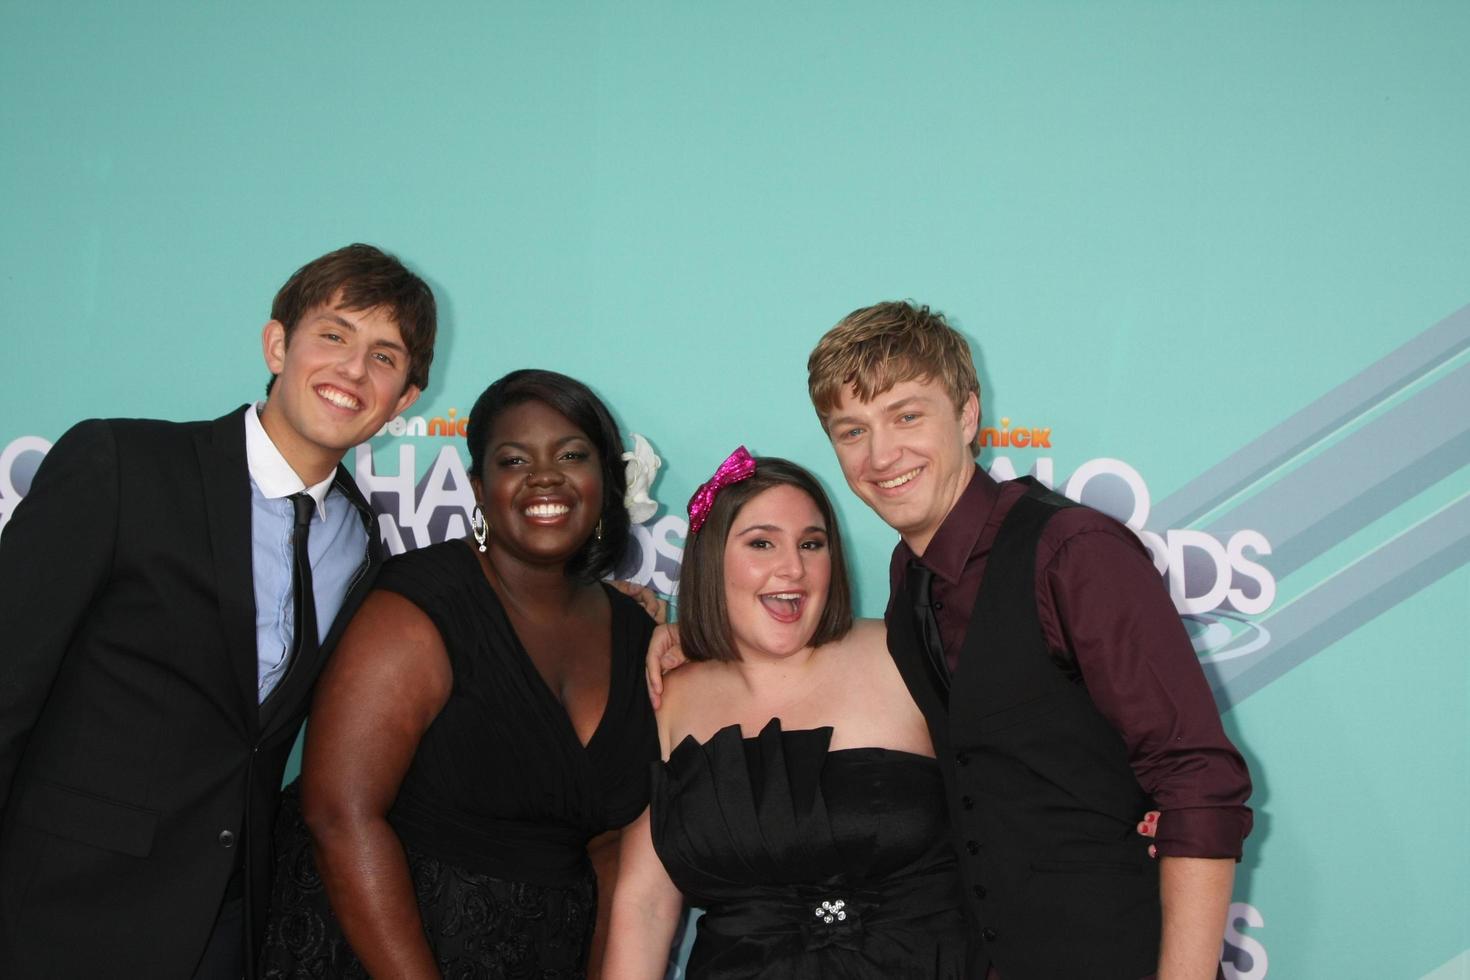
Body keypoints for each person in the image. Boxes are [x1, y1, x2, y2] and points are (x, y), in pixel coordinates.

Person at [0, 243, 437, 978]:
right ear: (277, 344)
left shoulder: (365, 545)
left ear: (406, 401)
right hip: (57, 908)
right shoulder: (123, 466)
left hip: (225, 927)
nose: (354, 371)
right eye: (334, 335)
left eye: (385, 356)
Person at [804, 301, 1254, 980]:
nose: (880, 455)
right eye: (851, 430)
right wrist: (686, 639)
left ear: (966, 415)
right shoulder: (907, 577)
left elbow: (1199, 780)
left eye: (906, 415)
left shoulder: (1073, 552)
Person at [259, 369, 660, 979]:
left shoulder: (637, 633)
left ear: (605, 478)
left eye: (572, 455)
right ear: (479, 486)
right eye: (514, 459)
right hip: (384, 957)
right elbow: (340, 815)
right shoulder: (420, 604)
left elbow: (612, 850)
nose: (544, 477)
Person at [606, 450, 970, 979]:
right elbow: (644, 905)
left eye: (811, 544)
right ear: (712, 559)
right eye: (761, 543)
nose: (793, 568)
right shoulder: (669, 696)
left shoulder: (904, 654)